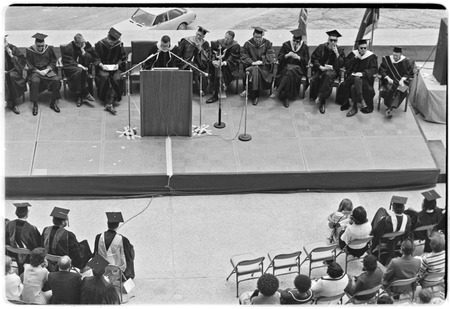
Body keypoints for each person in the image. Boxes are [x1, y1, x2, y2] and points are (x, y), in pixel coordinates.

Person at [41, 207, 92, 272]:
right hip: (63, 265)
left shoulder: (46, 230)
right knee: (84, 245)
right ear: (62, 222)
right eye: (65, 220)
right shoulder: (69, 235)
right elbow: (76, 255)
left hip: (47, 265)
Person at [270, 28, 309, 108]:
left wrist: (298, 57)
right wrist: (287, 55)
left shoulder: (304, 47)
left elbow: (306, 61)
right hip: (286, 67)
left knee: (289, 71)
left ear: (300, 41)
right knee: (288, 71)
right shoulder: (286, 45)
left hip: (298, 70)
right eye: (294, 40)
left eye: (297, 42)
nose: (295, 43)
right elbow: (279, 58)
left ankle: (280, 92)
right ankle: (286, 97)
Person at [309, 30, 346, 114]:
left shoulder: (339, 50)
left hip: (332, 72)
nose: (333, 42)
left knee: (327, 76)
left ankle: (321, 100)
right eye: (331, 40)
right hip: (321, 69)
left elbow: (342, 64)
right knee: (315, 79)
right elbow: (314, 58)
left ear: (337, 41)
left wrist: (337, 54)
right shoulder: (321, 47)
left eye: (335, 40)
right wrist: (319, 66)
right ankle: (318, 96)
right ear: (328, 40)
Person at [338, 39, 377, 117]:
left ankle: (354, 107)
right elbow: (346, 64)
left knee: (355, 84)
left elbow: (374, 69)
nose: (363, 50)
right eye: (361, 48)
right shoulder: (353, 54)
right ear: (358, 47)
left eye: (365, 48)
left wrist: (362, 73)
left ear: (367, 48)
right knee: (354, 79)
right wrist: (355, 58)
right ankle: (361, 101)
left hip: (364, 79)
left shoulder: (371, 56)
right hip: (352, 76)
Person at [26, 32, 61, 116]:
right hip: (36, 72)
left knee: (56, 79)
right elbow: (29, 64)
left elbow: (53, 61)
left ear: (44, 44)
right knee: (35, 81)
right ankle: (35, 105)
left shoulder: (48, 49)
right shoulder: (30, 50)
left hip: (47, 70)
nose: (41, 48)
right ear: (35, 44)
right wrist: (38, 71)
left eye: (42, 46)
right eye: (39, 46)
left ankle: (53, 103)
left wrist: (47, 69)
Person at [371, 196, 411, 266]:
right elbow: (407, 232)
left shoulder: (386, 220)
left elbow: (375, 232)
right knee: (382, 210)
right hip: (398, 239)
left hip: (385, 240)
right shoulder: (407, 218)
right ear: (403, 208)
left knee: (381, 211)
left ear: (393, 208)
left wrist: (381, 221)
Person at [94, 27, 126, 115]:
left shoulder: (118, 44)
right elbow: (95, 58)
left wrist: (118, 65)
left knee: (116, 78)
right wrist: (101, 65)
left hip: (115, 68)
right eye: (111, 42)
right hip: (103, 68)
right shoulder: (100, 44)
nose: (112, 44)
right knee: (105, 77)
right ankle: (108, 101)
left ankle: (109, 102)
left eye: (114, 42)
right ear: (108, 38)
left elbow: (122, 58)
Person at [240, 26, 276, 106]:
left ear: (262, 36)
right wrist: (252, 62)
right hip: (251, 67)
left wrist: (261, 61)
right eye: (255, 37)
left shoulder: (267, 43)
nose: (257, 39)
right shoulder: (248, 44)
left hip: (264, 69)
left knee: (255, 69)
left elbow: (271, 57)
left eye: (259, 37)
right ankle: (255, 94)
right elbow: (243, 56)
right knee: (255, 69)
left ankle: (252, 93)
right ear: (253, 35)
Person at [94, 212, 135, 279]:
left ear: (107, 224)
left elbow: (96, 254)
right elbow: (128, 257)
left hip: (101, 272)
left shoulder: (98, 237)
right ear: (117, 225)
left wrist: (96, 273)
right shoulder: (122, 239)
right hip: (116, 272)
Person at [62, 33, 98, 107]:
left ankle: (79, 96)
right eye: (81, 43)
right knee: (80, 71)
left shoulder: (86, 45)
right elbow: (67, 61)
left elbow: (93, 58)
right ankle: (84, 92)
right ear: (75, 43)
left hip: (84, 68)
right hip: (71, 68)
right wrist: (79, 65)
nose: (83, 44)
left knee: (81, 71)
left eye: (83, 42)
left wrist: (84, 52)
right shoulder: (69, 47)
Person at [378, 46, 415, 118]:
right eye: (394, 55)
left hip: (401, 82)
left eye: (397, 56)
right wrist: (387, 78)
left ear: (400, 55)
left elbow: (409, 72)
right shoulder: (387, 60)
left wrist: (403, 79)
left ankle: (390, 108)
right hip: (389, 82)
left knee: (402, 90)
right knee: (391, 90)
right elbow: (381, 70)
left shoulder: (405, 61)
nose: (395, 57)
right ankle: (390, 109)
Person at [5, 202, 41, 274]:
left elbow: (5, 241)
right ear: (27, 213)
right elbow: (37, 246)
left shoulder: (9, 224)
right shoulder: (32, 228)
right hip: (27, 260)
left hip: (12, 255)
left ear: (16, 212)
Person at [206, 30, 241, 104]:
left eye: (228, 39)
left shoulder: (235, 46)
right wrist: (213, 61)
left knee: (219, 70)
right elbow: (212, 54)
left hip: (229, 67)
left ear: (232, 39)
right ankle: (215, 91)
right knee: (216, 68)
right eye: (225, 37)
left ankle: (215, 94)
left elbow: (233, 58)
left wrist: (223, 63)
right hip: (217, 63)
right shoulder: (219, 42)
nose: (225, 40)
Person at [178, 26, 210, 96]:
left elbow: (207, 57)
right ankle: (200, 90)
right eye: (197, 34)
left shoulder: (205, 44)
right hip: (186, 62)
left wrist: (200, 49)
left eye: (200, 35)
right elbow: (179, 53)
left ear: (203, 36)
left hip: (200, 64)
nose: (198, 36)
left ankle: (202, 89)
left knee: (197, 69)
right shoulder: (186, 41)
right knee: (195, 69)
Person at [5, 34, 27, 114]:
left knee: (10, 76)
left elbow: (22, 60)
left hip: (13, 71)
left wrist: (12, 56)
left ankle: (14, 104)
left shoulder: (12, 48)